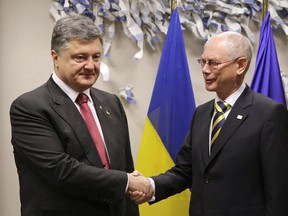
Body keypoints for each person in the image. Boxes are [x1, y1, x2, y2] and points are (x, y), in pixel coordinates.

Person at [130, 31, 288, 216]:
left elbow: (279, 190)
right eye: (203, 62)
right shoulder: (202, 114)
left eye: (213, 63)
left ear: (240, 65)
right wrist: (150, 186)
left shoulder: (268, 114)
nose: (205, 70)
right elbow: (185, 171)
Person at [10, 15, 150, 216]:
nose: (91, 66)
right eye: (80, 57)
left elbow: (125, 167)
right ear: (55, 57)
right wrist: (127, 182)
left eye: (96, 57)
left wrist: (128, 186)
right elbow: (61, 171)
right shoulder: (29, 107)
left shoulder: (111, 103)